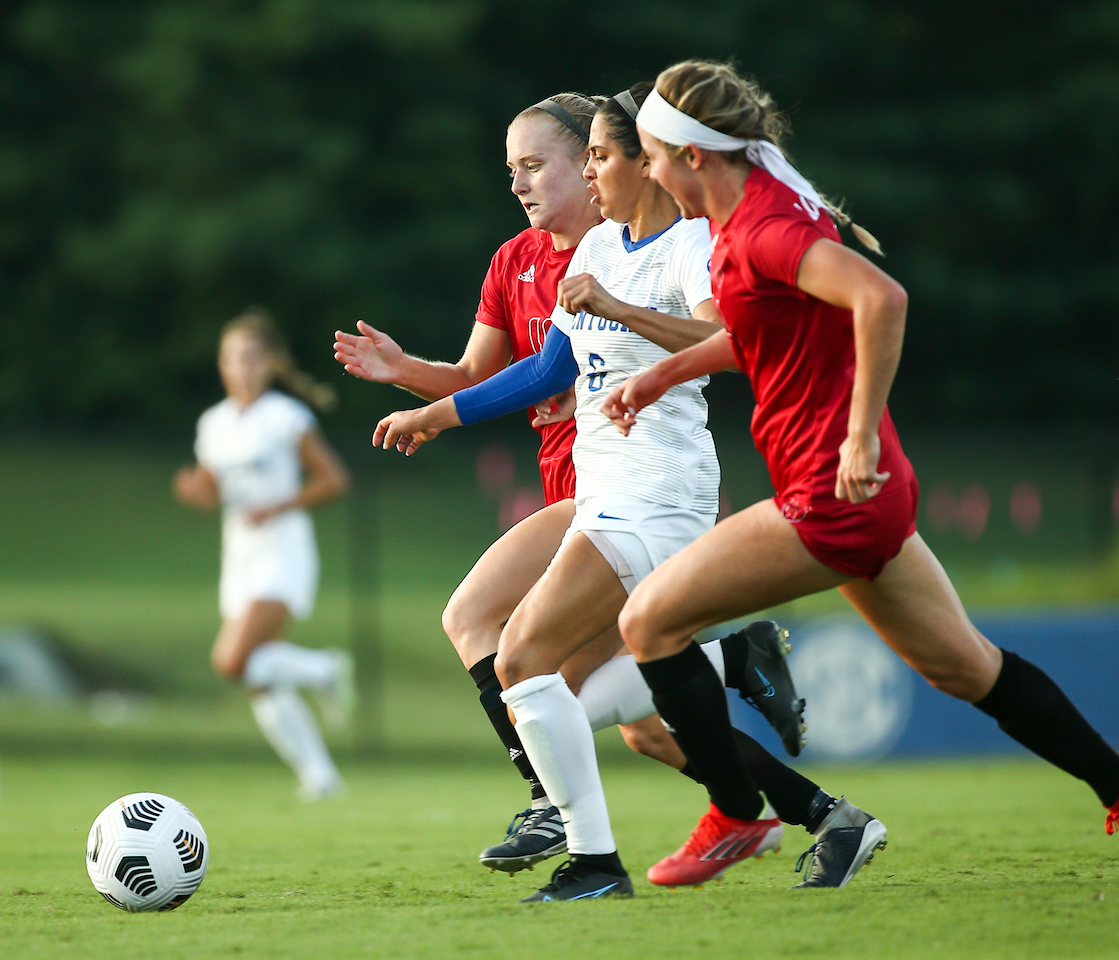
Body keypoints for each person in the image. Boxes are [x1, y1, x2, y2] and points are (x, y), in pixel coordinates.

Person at [599, 59, 1119, 892]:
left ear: (695, 156)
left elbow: (882, 298)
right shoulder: (754, 217)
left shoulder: (763, 226)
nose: (649, 171)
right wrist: (662, 375)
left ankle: (737, 812)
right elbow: (772, 334)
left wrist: (859, 436)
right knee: (966, 669)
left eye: (652, 155)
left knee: (648, 623)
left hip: (829, 496)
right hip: (868, 495)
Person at [373, 84, 881, 901]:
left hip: (652, 492)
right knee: (629, 714)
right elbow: (547, 370)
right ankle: (796, 779)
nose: (526, 183)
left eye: (595, 158)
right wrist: (439, 411)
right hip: (604, 493)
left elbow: (736, 343)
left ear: (636, 163)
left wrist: (616, 313)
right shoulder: (595, 250)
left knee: (523, 657)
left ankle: (586, 847)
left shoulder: (688, 247)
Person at [174, 309, 353, 799]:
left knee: (232, 660)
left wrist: (279, 504)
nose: (242, 367)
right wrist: (195, 491)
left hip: (283, 551)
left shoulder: (285, 417)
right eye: (233, 358)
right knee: (258, 675)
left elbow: (334, 479)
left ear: (271, 363)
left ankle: (325, 669)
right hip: (239, 557)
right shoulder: (212, 423)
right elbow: (213, 492)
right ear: (221, 364)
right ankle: (320, 777)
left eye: (253, 357)